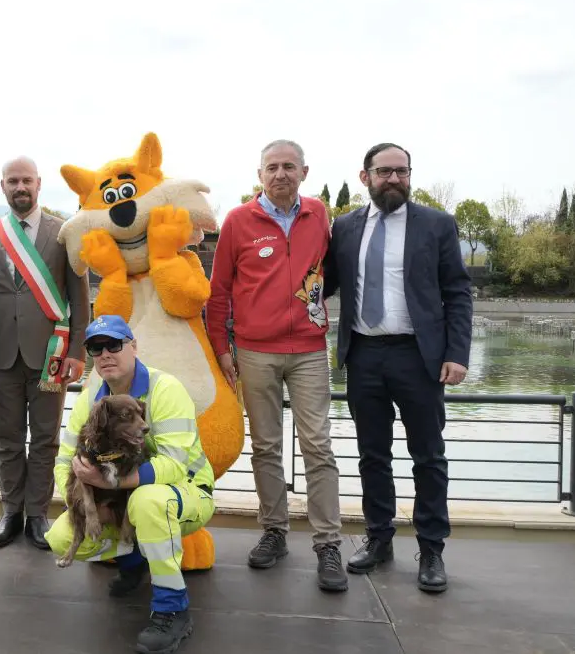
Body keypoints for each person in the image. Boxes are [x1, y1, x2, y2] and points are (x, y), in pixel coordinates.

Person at [323, 142, 472, 593]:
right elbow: (321, 284)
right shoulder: (343, 227)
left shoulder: (437, 224)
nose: (394, 179)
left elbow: (457, 292)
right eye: (384, 171)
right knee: (373, 455)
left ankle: (431, 549)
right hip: (363, 355)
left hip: (419, 357)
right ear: (365, 176)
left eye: (401, 171)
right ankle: (379, 538)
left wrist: (457, 353)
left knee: (428, 457)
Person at [205, 140, 347, 592]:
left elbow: (329, 273)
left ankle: (328, 544)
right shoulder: (237, 221)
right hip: (254, 351)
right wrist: (221, 349)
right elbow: (218, 292)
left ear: (304, 171)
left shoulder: (319, 214)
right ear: (259, 174)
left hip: (309, 349)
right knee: (265, 445)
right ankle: (274, 531)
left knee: (318, 446)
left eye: (289, 166)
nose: (280, 173)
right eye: (272, 167)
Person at [47, 314, 213, 654]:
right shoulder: (91, 399)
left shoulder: (166, 388)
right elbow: (64, 462)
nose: (105, 354)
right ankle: (135, 560)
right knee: (62, 537)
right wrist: (87, 501)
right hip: (120, 500)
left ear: (133, 346)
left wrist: (113, 484)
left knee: (147, 502)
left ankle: (172, 608)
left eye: (114, 345)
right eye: (96, 348)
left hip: (188, 491)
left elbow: (174, 464)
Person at [0, 156, 90, 550]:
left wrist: (77, 351)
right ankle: (11, 512)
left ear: (39, 184)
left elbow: (80, 299)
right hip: (1, 357)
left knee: (45, 438)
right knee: (7, 439)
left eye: (26, 180)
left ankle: (38, 514)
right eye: (13, 181)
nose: (20, 187)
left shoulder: (64, 233)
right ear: (3, 186)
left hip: (51, 356)